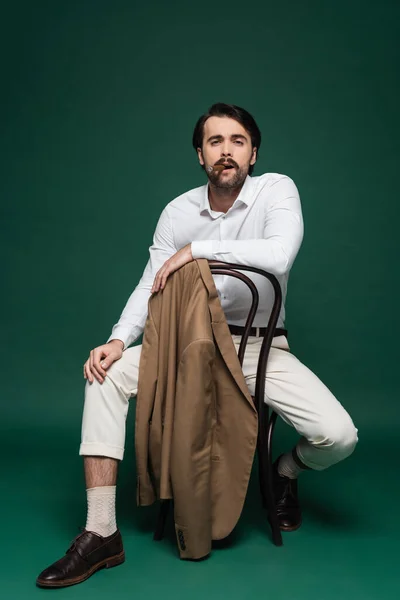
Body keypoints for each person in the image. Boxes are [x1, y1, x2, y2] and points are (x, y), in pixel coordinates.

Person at [36, 103, 358, 588]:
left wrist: (198, 250)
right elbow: (152, 284)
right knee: (103, 377)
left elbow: (279, 255)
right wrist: (117, 340)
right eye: (214, 142)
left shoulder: (277, 190)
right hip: (184, 344)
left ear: (253, 154)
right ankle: (101, 531)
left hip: (257, 347)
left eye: (237, 141)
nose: (226, 151)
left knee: (339, 435)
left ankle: (285, 471)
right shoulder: (177, 211)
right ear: (199, 155)